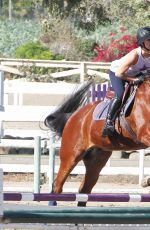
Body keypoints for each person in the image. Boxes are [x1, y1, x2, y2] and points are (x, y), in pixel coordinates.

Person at [102, 26, 150, 137]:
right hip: (117, 73)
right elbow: (119, 73)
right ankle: (108, 123)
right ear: (142, 43)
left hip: (134, 74)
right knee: (120, 94)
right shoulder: (135, 55)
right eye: (149, 40)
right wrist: (134, 80)